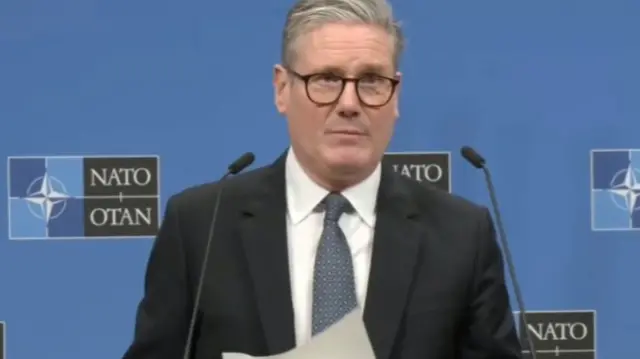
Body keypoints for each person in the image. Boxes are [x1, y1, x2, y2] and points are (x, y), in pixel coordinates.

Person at [121, 0, 523, 358]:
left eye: (371, 81)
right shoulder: (199, 227)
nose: (349, 103)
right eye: (327, 79)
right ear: (282, 89)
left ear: (395, 95)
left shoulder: (460, 235)